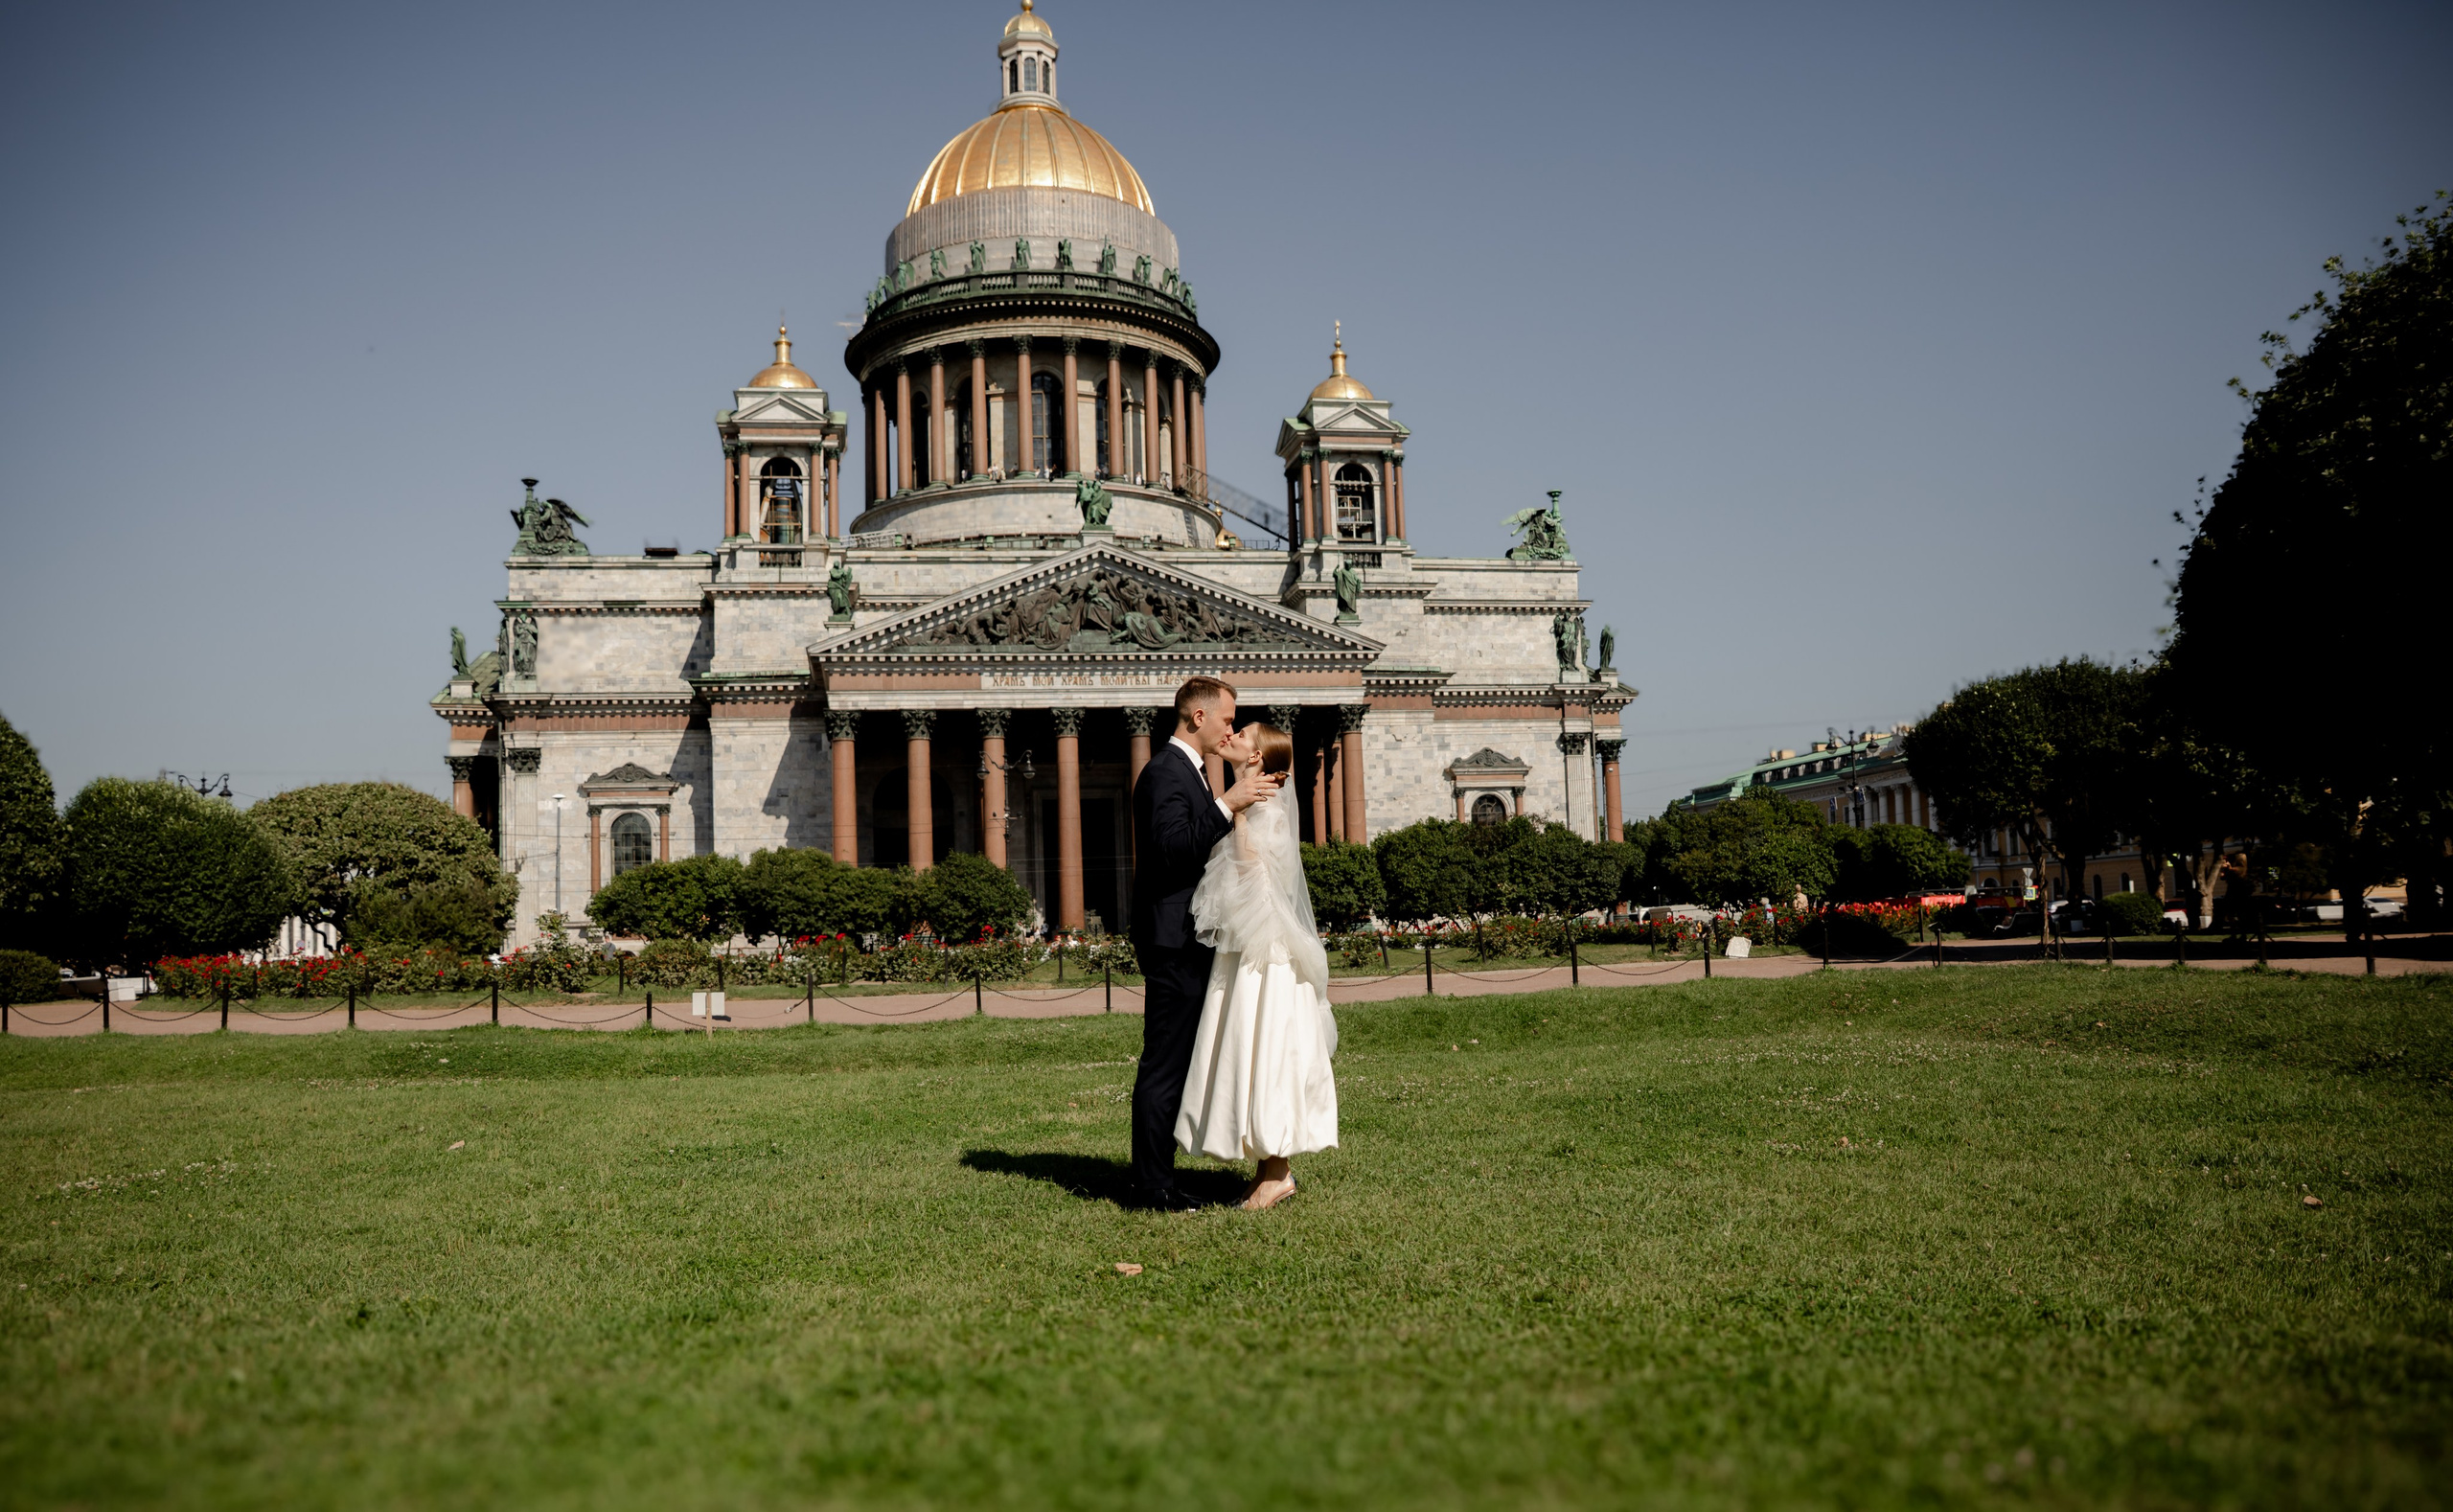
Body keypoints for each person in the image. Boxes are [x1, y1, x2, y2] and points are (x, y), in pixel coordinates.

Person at [1128, 676, 1282, 1209]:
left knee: (1174, 1063)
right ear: (1199, 717)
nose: (1231, 728)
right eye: (1227, 719)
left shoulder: (1186, 772)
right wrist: (1227, 803)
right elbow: (1171, 852)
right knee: (1164, 1066)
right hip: (1173, 943)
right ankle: (1152, 1187)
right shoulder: (1163, 774)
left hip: (1186, 939)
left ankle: (1161, 1178)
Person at [1177, 722, 1337, 1209]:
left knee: (1265, 1048)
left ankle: (1279, 1172)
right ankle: (1269, 1169)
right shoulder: (1248, 799)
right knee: (1250, 1050)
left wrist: (1239, 815)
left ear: (1258, 759)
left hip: (1264, 956)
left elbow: (1254, 877)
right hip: (1246, 948)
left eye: (1241, 733)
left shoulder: (1264, 809)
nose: (1231, 735)